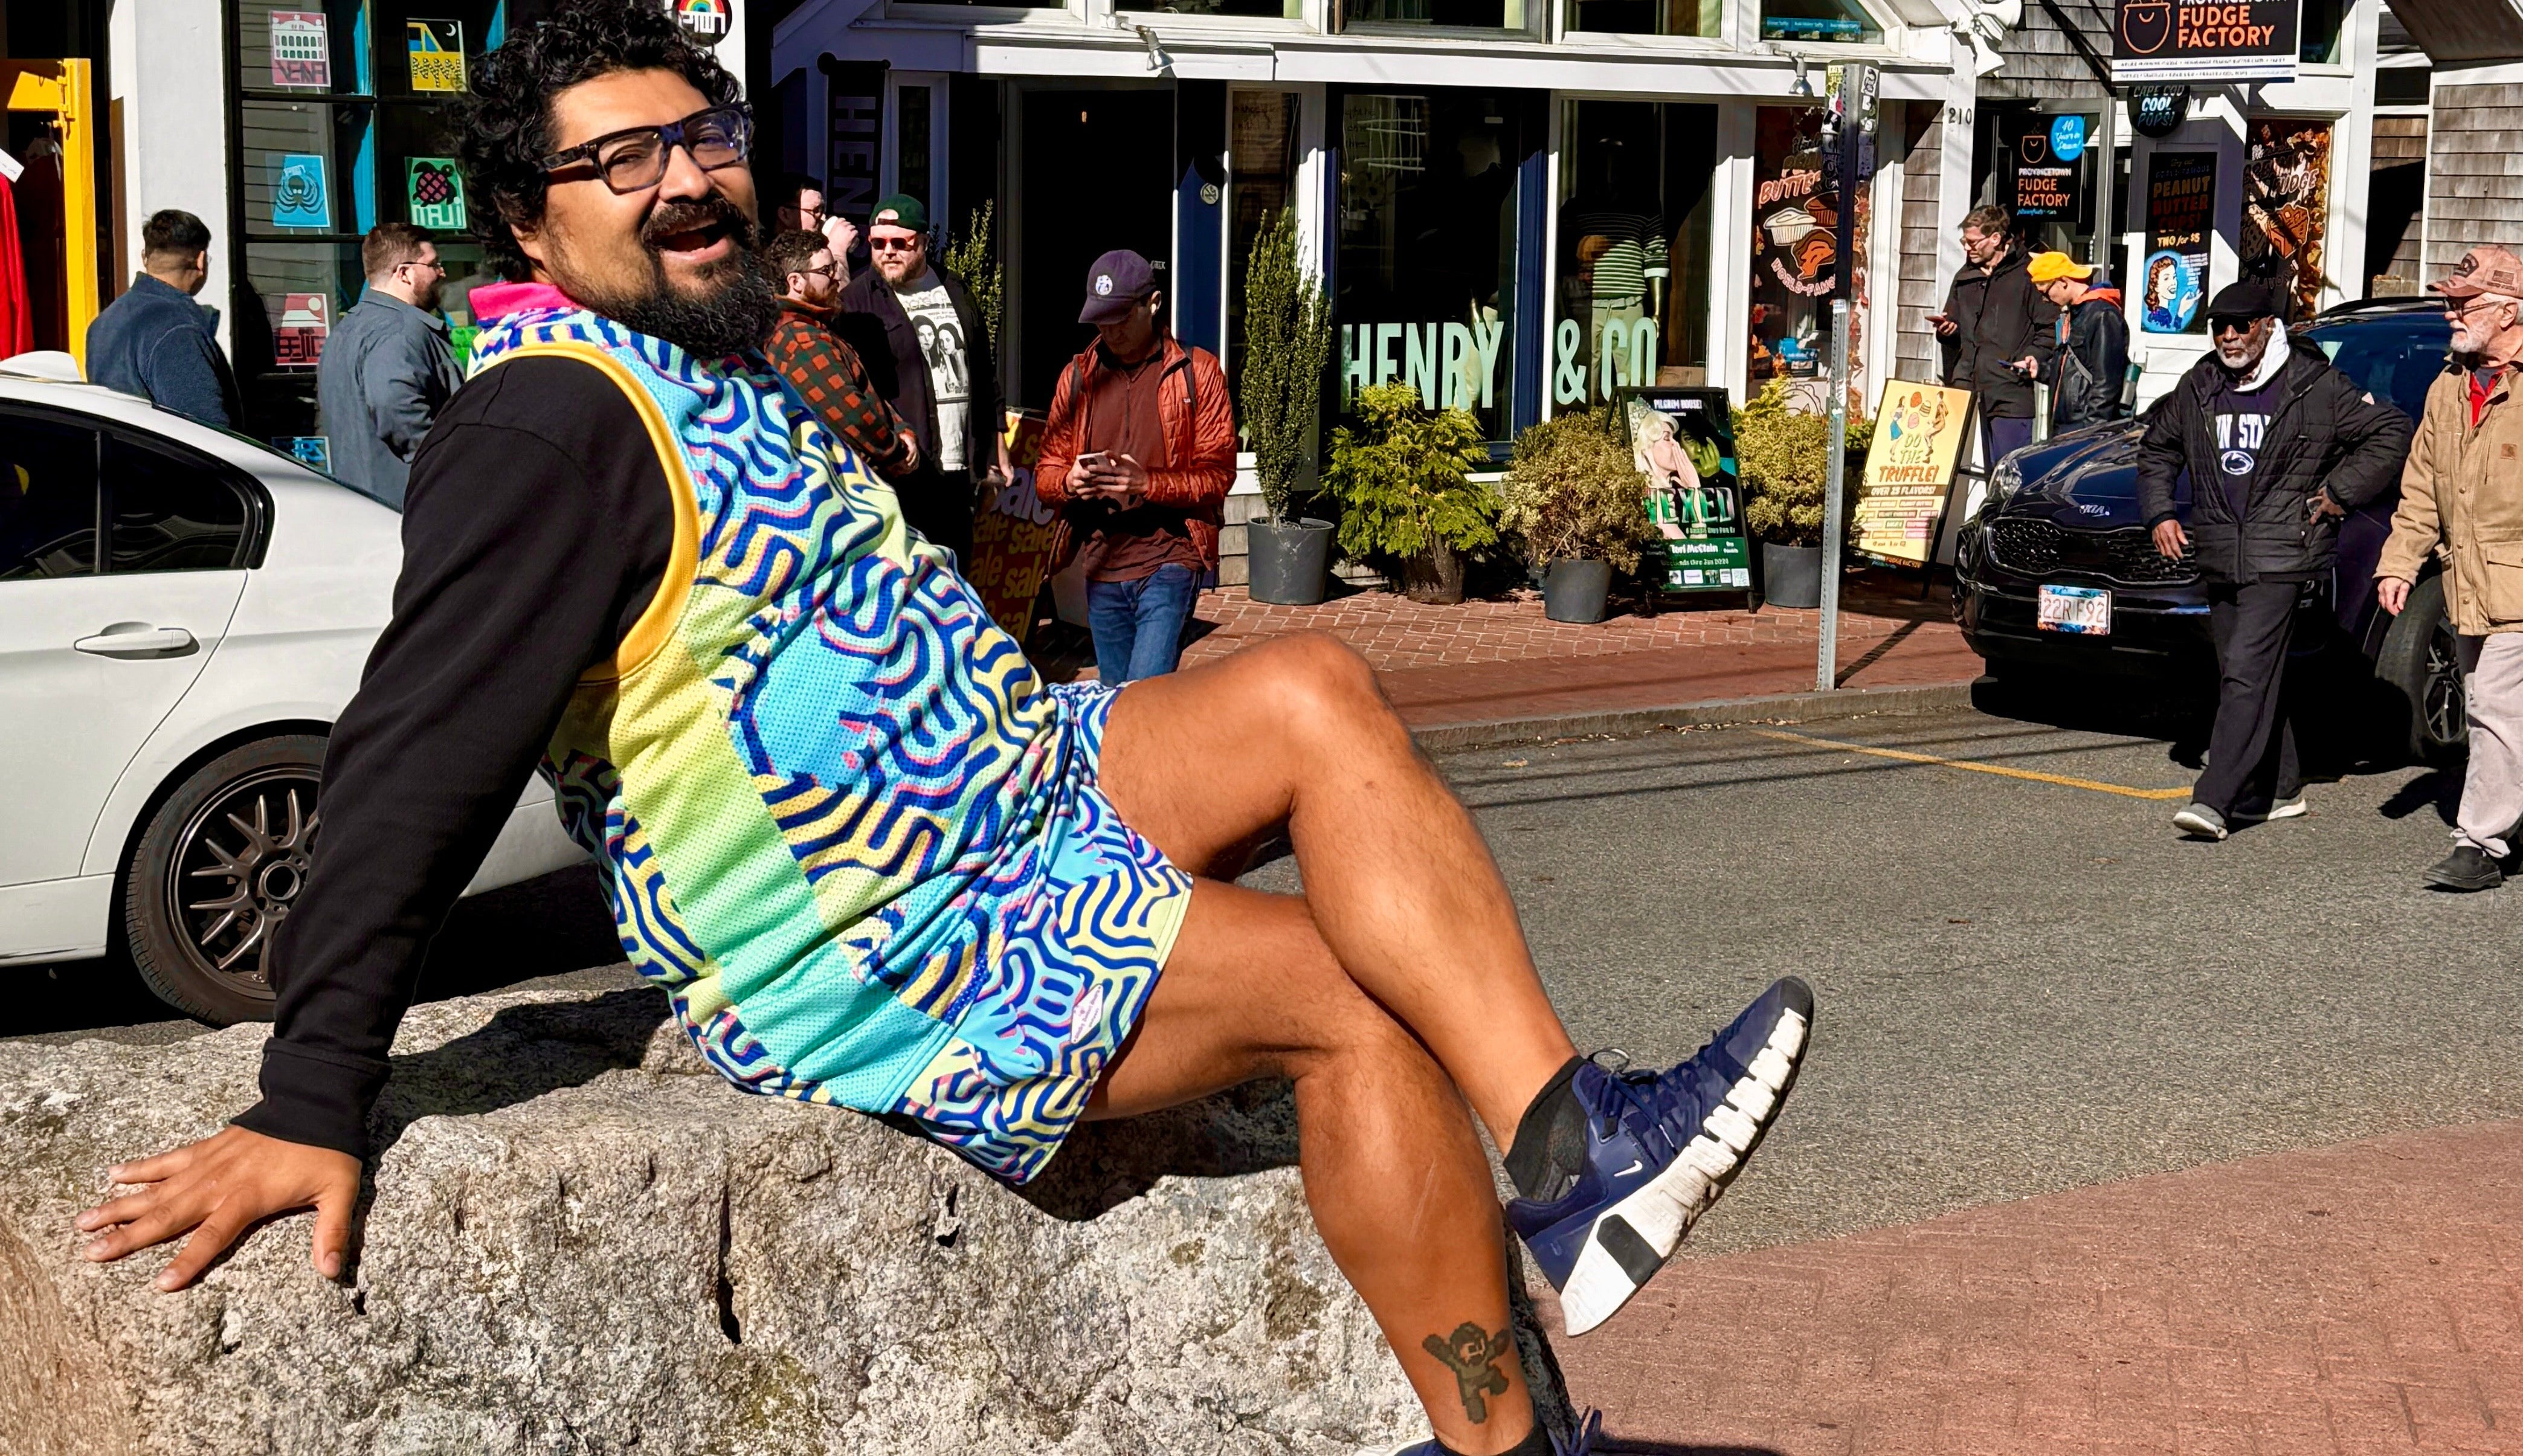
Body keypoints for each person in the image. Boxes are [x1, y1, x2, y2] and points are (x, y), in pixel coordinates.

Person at [69, 12, 1816, 1456]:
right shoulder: (546, 425)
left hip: (1020, 788)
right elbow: (416, 749)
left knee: (1312, 687)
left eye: (701, 137)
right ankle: (1506, 1445)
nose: (682, 179)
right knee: (1357, 1004)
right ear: (529, 229)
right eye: (620, 162)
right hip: (892, 934)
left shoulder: (719, 366)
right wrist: (311, 1092)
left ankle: (1574, 1148)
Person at [2137, 278, 2412, 840]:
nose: (2229, 336)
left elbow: (2390, 430)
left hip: (2284, 553)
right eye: (2219, 326)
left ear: (2268, 326)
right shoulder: (2200, 384)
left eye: (2241, 326)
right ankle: (2282, 787)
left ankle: (2216, 799)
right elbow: (2158, 447)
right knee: (2248, 675)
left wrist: (2340, 492)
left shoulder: (2314, 384)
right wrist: (2160, 512)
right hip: (2220, 552)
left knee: (2245, 673)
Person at [2374, 246, 2523, 891]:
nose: (2450, 313)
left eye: (2462, 303)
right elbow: (2421, 487)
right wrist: (2399, 562)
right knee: (2498, 710)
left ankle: (2481, 843)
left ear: (2505, 309)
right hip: (2471, 580)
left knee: (2498, 702)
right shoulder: (2449, 385)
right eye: (2449, 302)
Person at [1033, 250, 1235, 687]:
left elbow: (1219, 474)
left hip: (1170, 559)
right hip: (1102, 563)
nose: (1111, 331)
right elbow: (1046, 473)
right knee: (1116, 703)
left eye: (1122, 318)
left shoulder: (1196, 372)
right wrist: (1069, 481)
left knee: (1146, 695)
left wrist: (1147, 483)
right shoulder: (1078, 377)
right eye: (1101, 321)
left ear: (1153, 303)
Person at [834, 193, 1004, 558]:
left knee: (955, 578)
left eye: (901, 243)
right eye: (878, 243)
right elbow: (848, 391)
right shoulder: (857, 302)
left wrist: (993, 457)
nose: (888, 252)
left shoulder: (954, 287)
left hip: (958, 474)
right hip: (901, 474)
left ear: (923, 242)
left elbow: (983, 373)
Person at [317, 221, 466, 508]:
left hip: (364, 506)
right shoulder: (401, 331)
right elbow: (396, 407)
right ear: (405, 274)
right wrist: (449, 464)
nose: (442, 272)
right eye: (433, 264)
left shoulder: (345, 331)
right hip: (409, 506)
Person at [762, 227, 918, 477]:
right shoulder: (800, 340)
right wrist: (895, 451)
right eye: (826, 271)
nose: (836, 277)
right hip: (848, 482)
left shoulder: (813, 327)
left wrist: (902, 430)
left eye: (834, 267)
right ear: (796, 282)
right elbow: (850, 413)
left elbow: (867, 396)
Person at [85, 208, 240, 430]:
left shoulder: (105, 321)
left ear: (144, 258)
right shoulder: (179, 329)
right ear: (201, 260)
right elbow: (208, 434)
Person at [1936, 205, 2058, 465]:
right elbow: (1954, 324)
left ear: (1995, 238)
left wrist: (2031, 359)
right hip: (1965, 387)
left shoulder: (2028, 275)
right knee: (1953, 469)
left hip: (2009, 392)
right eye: (1964, 241)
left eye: (1972, 242)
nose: (1967, 248)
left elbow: (2049, 331)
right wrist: (1948, 332)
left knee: (2008, 472)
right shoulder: (1965, 276)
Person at [2027, 250, 2128, 431]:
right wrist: (2040, 371)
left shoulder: (2103, 315)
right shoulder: (2075, 313)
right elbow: (2073, 372)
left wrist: (2092, 431)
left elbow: (2106, 383)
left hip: (2084, 427)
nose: (2045, 300)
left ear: (2063, 282)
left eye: (2046, 293)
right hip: (2067, 425)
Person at [761, 170, 856, 291]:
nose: (823, 217)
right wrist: (838, 253)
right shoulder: (765, 263)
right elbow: (839, 300)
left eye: (823, 210)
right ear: (785, 214)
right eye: (816, 211)